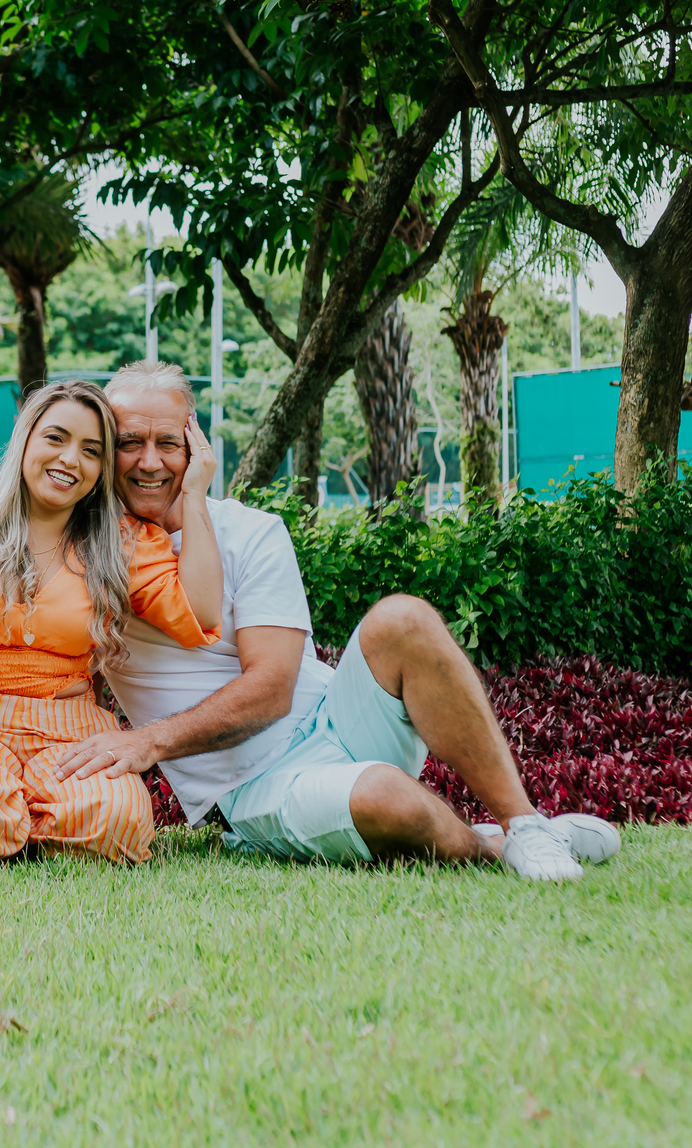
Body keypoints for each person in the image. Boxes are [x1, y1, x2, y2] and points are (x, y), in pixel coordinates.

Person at [56, 359, 621, 884]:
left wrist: (148, 742)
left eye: (167, 442)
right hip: (251, 786)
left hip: (336, 720)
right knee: (384, 797)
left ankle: (524, 824)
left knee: (403, 617)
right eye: (129, 443)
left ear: (194, 443)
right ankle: (493, 847)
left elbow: (272, 690)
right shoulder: (89, 555)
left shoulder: (252, 532)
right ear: (105, 451)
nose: (149, 461)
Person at [0, 378, 223, 865]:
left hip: (70, 727)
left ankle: (24, 828)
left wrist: (195, 493)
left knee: (115, 821)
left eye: (92, 450)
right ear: (24, 436)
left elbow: (200, 612)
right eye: (56, 438)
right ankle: (22, 826)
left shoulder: (119, 539)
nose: (71, 460)